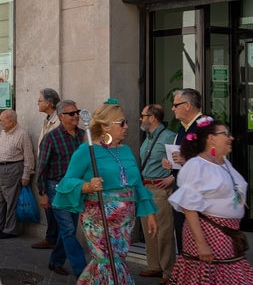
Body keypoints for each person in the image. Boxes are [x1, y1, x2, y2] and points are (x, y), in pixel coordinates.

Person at [54, 99, 158, 284]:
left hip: (126, 221)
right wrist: (87, 186)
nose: (126, 127)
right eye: (122, 123)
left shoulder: (126, 150)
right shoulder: (87, 151)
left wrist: (149, 214)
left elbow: (137, 185)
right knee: (107, 261)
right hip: (98, 218)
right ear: (105, 126)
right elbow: (66, 182)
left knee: (116, 260)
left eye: (126, 122)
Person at [168, 116, 253, 285]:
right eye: (225, 134)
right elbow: (189, 207)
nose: (231, 138)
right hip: (209, 233)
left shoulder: (224, 162)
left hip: (228, 234)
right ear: (211, 139)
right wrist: (201, 243)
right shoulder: (196, 165)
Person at [36, 99, 85, 276]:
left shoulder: (83, 136)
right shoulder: (51, 138)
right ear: (61, 117)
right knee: (69, 229)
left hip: (77, 188)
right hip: (56, 187)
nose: (76, 116)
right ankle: (83, 271)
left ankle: (55, 261)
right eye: (72, 113)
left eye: (77, 112)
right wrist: (42, 193)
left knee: (68, 228)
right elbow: (42, 167)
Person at [138, 103, 176, 282]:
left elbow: (182, 160)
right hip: (146, 188)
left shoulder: (169, 136)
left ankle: (168, 271)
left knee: (163, 232)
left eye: (143, 115)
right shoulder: (148, 136)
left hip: (160, 190)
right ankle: (154, 266)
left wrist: (173, 176)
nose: (141, 118)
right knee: (148, 230)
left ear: (152, 118)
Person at [162, 87, 204, 251]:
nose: (172, 108)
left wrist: (187, 160)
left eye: (175, 105)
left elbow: (215, 158)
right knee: (182, 238)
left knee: (195, 239)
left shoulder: (205, 126)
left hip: (198, 192)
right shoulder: (182, 127)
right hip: (181, 189)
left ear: (187, 105)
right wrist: (171, 164)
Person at [0, 109, 34, 240]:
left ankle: (11, 229)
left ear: (11, 121)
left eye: (2, 121)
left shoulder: (22, 134)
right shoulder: (3, 132)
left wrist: (26, 174)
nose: (0, 123)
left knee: (12, 200)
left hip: (12, 168)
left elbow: (29, 156)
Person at [31, 87, 61, 250]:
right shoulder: (48, 119)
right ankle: (51, 237)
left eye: (40, 100)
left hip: (54, 172)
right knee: (49, 208)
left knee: (56, 210)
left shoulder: (58, 120)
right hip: (47, 172)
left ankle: (54, 240)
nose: (37, 102)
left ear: (49, 103)